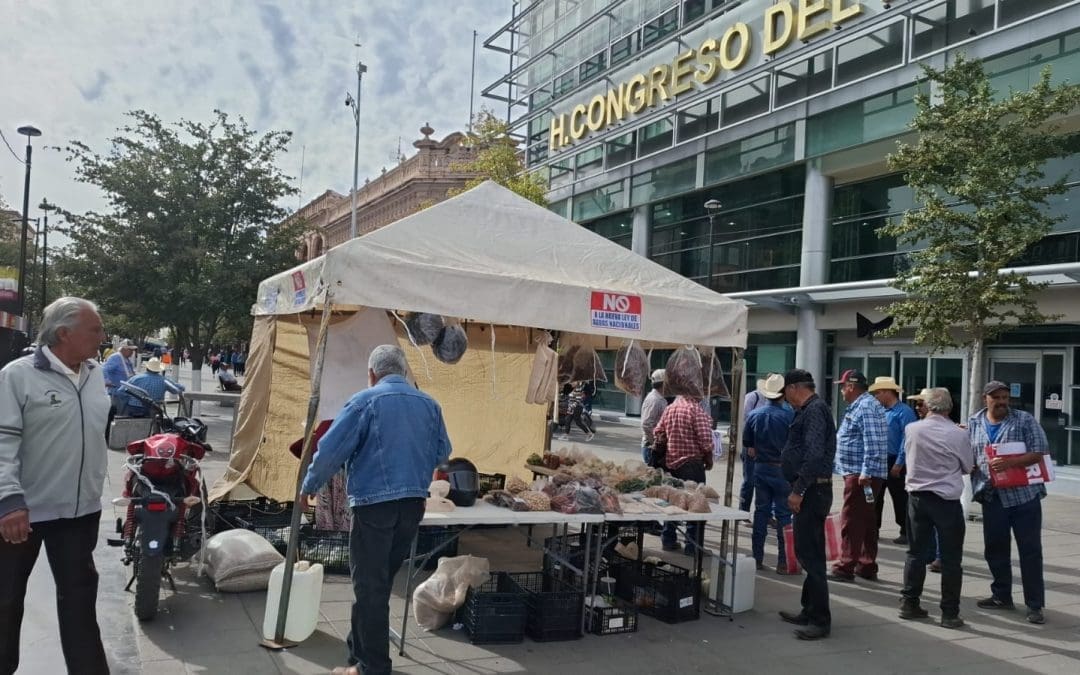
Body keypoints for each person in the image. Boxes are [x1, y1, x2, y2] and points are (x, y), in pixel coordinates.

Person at [300, 345, 451, 675]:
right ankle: (357, 655)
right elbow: (443, 453)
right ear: (404, 372)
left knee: (370, 587)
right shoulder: (430, 404)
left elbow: (329, 452)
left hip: (374, 506)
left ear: (372, 374)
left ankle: (372, 668)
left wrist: (309, 486)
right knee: (374, 584)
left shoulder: (364, 402)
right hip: (412, 506)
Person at [0, 297, 110, 674]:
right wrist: (9, 500)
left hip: (80, 512)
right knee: (6, 599)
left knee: (80, 602)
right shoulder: (18, 375)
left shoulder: (96, 373)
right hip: (22, 514)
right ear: (65, 333)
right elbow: (2, 440)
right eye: (94, 329)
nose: (102, 336)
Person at [969, 380, 1051, 625]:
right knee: (995, 549)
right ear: (986, 398)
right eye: (997, 398)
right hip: (991, 496)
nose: (1003, 402)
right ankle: (1001, 595)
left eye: (1005, 397)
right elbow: (968, 452)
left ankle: (1034, 605)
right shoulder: (974, 422)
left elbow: (1040, 451)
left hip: (1024, 497)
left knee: (1030, 551)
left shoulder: (1023, 420)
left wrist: (1010, 462)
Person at [898, 387, 972, 629]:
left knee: (916, 553)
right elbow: (968, 467)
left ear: (928, 407)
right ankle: (949, 613)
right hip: (946, 500)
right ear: (949, 408)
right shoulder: (958, 433)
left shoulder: (912, 429)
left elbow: (910, 458)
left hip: (918, 498)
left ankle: (910, 602)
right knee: (951, 559)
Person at [778, 368, 836, 641]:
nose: (786, 399)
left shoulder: (814, 411)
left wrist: (798, 490)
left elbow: (813, 455)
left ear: (793, 388)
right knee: (805, 550)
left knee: (811, 555)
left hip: (813, 491)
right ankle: (809, 608)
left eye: (786, 393)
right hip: (811, 489)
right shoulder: (810, 409)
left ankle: (820, 620)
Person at [831, 369, 889, 583]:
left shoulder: (864, 406)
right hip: (861, 473)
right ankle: (866, 564)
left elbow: (872, 443)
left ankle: (846, 565)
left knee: (852, 519)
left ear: (851, 387)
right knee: (866, 519)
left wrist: (866, 472)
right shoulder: (865, 405)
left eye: (843, 386)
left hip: (861, 475)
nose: (842, 391)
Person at [743, 373, 795, 573]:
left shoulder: (755, 415)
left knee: (761, 512)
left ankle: (757, 558)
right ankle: (783, 562)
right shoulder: (789, 415)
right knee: (783, 515)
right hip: (781, 468)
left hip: (761, 466)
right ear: (782, 394)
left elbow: (748, 443)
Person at [653, 390, 714, 555]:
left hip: (671, 464)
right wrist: (709, 458)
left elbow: (658, 431)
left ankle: (668, 539)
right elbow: (706, 441)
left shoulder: (671, 407)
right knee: (696, 506)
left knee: (671, 503)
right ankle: (693, 546)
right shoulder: (695, 409)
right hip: (692, 465)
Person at [869, 376, 918, 545]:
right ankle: (873, 529)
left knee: (900, 497)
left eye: (878, 393)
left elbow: (907, 439)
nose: (876, 396)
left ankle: (905, 529)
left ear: (887, 392)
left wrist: (899, 462)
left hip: (894, 459)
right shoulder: (880, 411)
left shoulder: (904, 412)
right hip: (879, 459)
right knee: (875, 497)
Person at [738, 377, 771, 512]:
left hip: (767, 446)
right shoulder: (753, 397)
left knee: (764, 482)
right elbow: (746, 421)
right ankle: (743, 510)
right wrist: (750, 444)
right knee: (749, 480)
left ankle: (765, 513)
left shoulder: (775, 400)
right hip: (752, 444)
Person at [121, 357, 185, 418]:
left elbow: (121, 391)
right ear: (159, 370)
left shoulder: (136, 378)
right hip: (153, 409)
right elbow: (176, 390)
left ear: (147, 368)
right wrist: (182, 387)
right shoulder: (164, 380)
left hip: (134, 408)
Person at [102, 338, 138, 442]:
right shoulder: (115, 358)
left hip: (124, 393)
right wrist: (107, 381)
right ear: (124, 349)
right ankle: (109, 438)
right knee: (115, 417)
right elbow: (104, 369)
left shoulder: (126, 359)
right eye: (130, 350)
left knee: (121, 417)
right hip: (117, 393)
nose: (132, 352)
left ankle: (116, 438)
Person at [640, 369, 668, 465]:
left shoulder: (659, 398)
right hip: (651, 449)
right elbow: (646, 424)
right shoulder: (655, 400)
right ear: (663, 384)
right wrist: (654, 443)